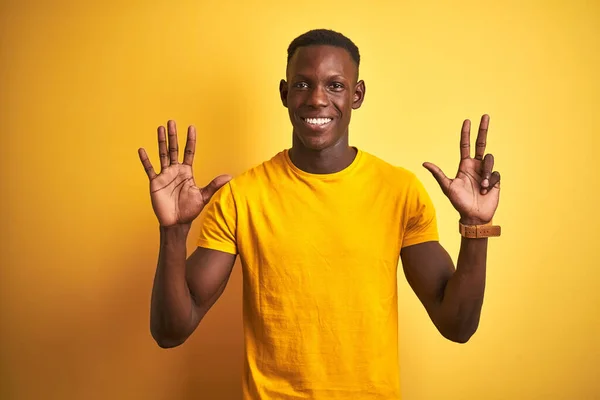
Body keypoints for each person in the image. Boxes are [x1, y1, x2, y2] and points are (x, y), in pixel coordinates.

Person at [138, 29, 501, 400]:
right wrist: (174, 232)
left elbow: (457, 325)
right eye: (302, 84)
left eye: (335, 86)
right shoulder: (242, 197)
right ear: (285, 93)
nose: (317, 99)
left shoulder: (399, 192)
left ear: (356, 95)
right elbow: (171, 331)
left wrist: (476, 226)